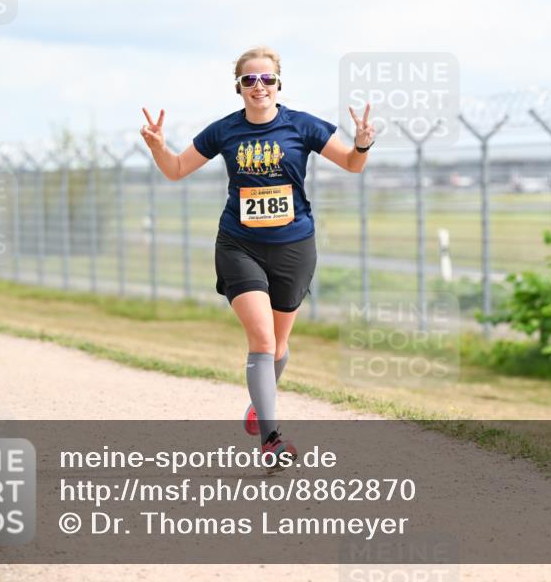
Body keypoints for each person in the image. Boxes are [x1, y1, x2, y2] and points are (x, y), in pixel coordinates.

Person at [140, 46, 375, 466]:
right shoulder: (225, 131)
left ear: (278, 83)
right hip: (239, 244)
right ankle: (271, 440)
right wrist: (158, 146)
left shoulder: (301, 126)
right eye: (250, 80)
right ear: (238, 87)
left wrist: (360, 145)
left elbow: (352, 166)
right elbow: (175, 169)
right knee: (262, 339)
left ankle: (258, 404)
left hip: (294, 245)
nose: (259, 87)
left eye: (266, 79)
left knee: (280, 343)